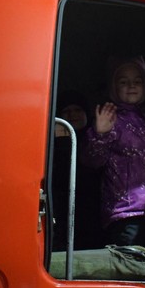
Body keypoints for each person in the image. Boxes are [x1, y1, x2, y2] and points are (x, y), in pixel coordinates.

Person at [83, 56, 145, 251]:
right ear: (114, 87)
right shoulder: (111, 118)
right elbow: (92, 161)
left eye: (138, 81)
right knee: (131, 265)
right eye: (123, 82)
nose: (131, 85)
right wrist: (100, 134)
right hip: (125, 213)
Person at [51, 89, 103, 251]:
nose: (72, 115)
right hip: (63, 212)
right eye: (67, 111)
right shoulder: (51, 147)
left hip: (95, 211)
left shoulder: (97, 141)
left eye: (77, 110)